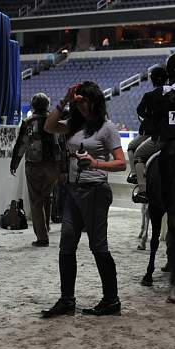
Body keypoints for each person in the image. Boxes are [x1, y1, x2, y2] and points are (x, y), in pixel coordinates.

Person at [42, 81, 126, 317]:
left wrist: (96, 162)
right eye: (78, 103)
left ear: (95, 101)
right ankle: (67, 300)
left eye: (85, 102)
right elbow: (48, 126)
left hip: (96, 190)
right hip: (73, 190)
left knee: (98, 245)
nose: (81, 107)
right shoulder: (72, 124)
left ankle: (111, 300)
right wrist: (65, 100)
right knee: (66, 242)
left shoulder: (107, 128)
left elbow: (121, 163)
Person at [132, 53, 175, 203]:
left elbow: (154, 118)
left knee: (139, 155)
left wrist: (154, 129)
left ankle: (143, 191)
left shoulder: (159, 92)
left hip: (164, 139)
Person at [10, 93, 61, 247]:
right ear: (47, 105)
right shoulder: (55, 119)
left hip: (34, 164)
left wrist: (14, 163)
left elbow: (21, 144)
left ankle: (42, 237)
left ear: (33, 105)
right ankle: (46, 225)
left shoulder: (28, 122)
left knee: (36, 200)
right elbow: (63, 143)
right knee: (47, 196)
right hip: (54, 165)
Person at [126, 66, 168, 184]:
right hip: (170, 132)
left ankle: (135, 176)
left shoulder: (149, 95)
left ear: (152, 79)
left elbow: (139, 111)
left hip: (151, 133)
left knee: (132, 147)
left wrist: (148, 117)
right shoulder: (171, 94)